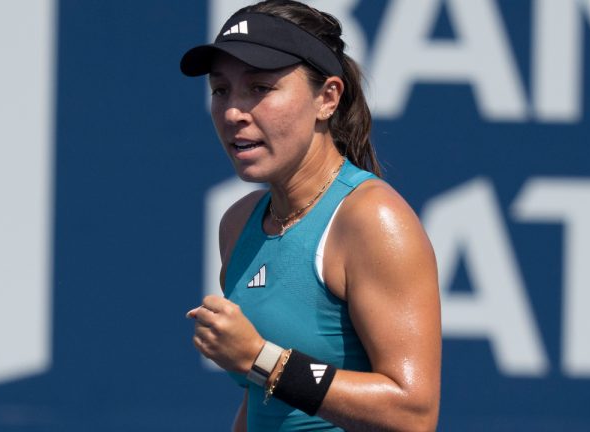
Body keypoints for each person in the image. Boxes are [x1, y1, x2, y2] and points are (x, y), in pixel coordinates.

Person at [181, 1, 441, 431]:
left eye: (260, 88)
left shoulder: (373, 219)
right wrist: (261, 367)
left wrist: (261, 358)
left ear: (327, 98)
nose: (232, 113)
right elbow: (264, 404)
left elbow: (413, 414)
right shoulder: (238, 223)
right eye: (221, 90)